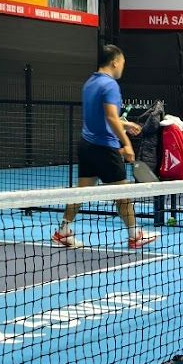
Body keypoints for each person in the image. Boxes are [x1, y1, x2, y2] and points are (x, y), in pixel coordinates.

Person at [51, 45, 160, 250]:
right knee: (123, 194)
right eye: (123, 63)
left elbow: (101, 116)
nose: (123, 67)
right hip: (104, 148)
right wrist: (126, 143)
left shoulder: (90, 83)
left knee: (80, 192)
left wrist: (125, 124)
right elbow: (110, 116)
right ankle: (135, 235)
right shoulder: (110, 85)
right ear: (115, 62)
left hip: (86, 145)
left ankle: (62, 232)